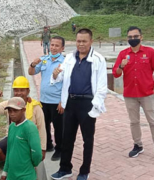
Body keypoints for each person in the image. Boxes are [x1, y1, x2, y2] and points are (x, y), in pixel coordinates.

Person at [50, 28, 108, 180]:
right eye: (78, 41)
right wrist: (55, 74)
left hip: (87, 103)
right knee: (67, 137)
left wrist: (95, 105)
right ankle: (65, 169)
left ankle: (84, 171)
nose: (81, 44)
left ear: (91, 41)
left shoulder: (98, 59)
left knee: (87, 139)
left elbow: (102, 87)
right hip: (70, 102)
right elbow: (60, 76)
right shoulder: (69, 57)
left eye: (84, 41)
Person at [112, 26, 154, 162]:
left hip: (147, 94)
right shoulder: (123, 54)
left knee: (153, 122)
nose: (133, 39)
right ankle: (137, 145)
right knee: (134, 122)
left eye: (135, 36)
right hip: (130, 94)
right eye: (130, 37)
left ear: (141, 37)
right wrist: (121, 65)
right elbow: (115, 73)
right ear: (127, 39)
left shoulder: (150, 52)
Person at [0, 76, 46, 177]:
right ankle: (10, 169)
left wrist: (42, 148)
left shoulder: (35, 107)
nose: (19, 93)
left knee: (29, 158)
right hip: (13, 137)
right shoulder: (10, 104)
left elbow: (41, 128)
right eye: (16, 90)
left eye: (22, 90)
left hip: (29, 139)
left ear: (28, 91)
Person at [28, 36, 65, 161]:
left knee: (59, 127)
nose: (53, 48)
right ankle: (48, 145)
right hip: (43, 100)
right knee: (43, 125)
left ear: (62, 48)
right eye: (52, 45)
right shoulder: (44, 60)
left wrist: (63, 101)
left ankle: (60, 149)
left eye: (57, 46)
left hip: (56, 102)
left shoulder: (65, 63)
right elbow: (31, 72)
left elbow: (67, 84)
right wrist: (32, 64)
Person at [0, 97, 43, 180]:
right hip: (12, 175)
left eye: (15, 110)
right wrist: (5, 171)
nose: (12, 114)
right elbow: (9, 150)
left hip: (26, 176)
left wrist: (30, 165)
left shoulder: (30, 128)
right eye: (10, 111)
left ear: (23, 110)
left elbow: (37, 154)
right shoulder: (12, 126)